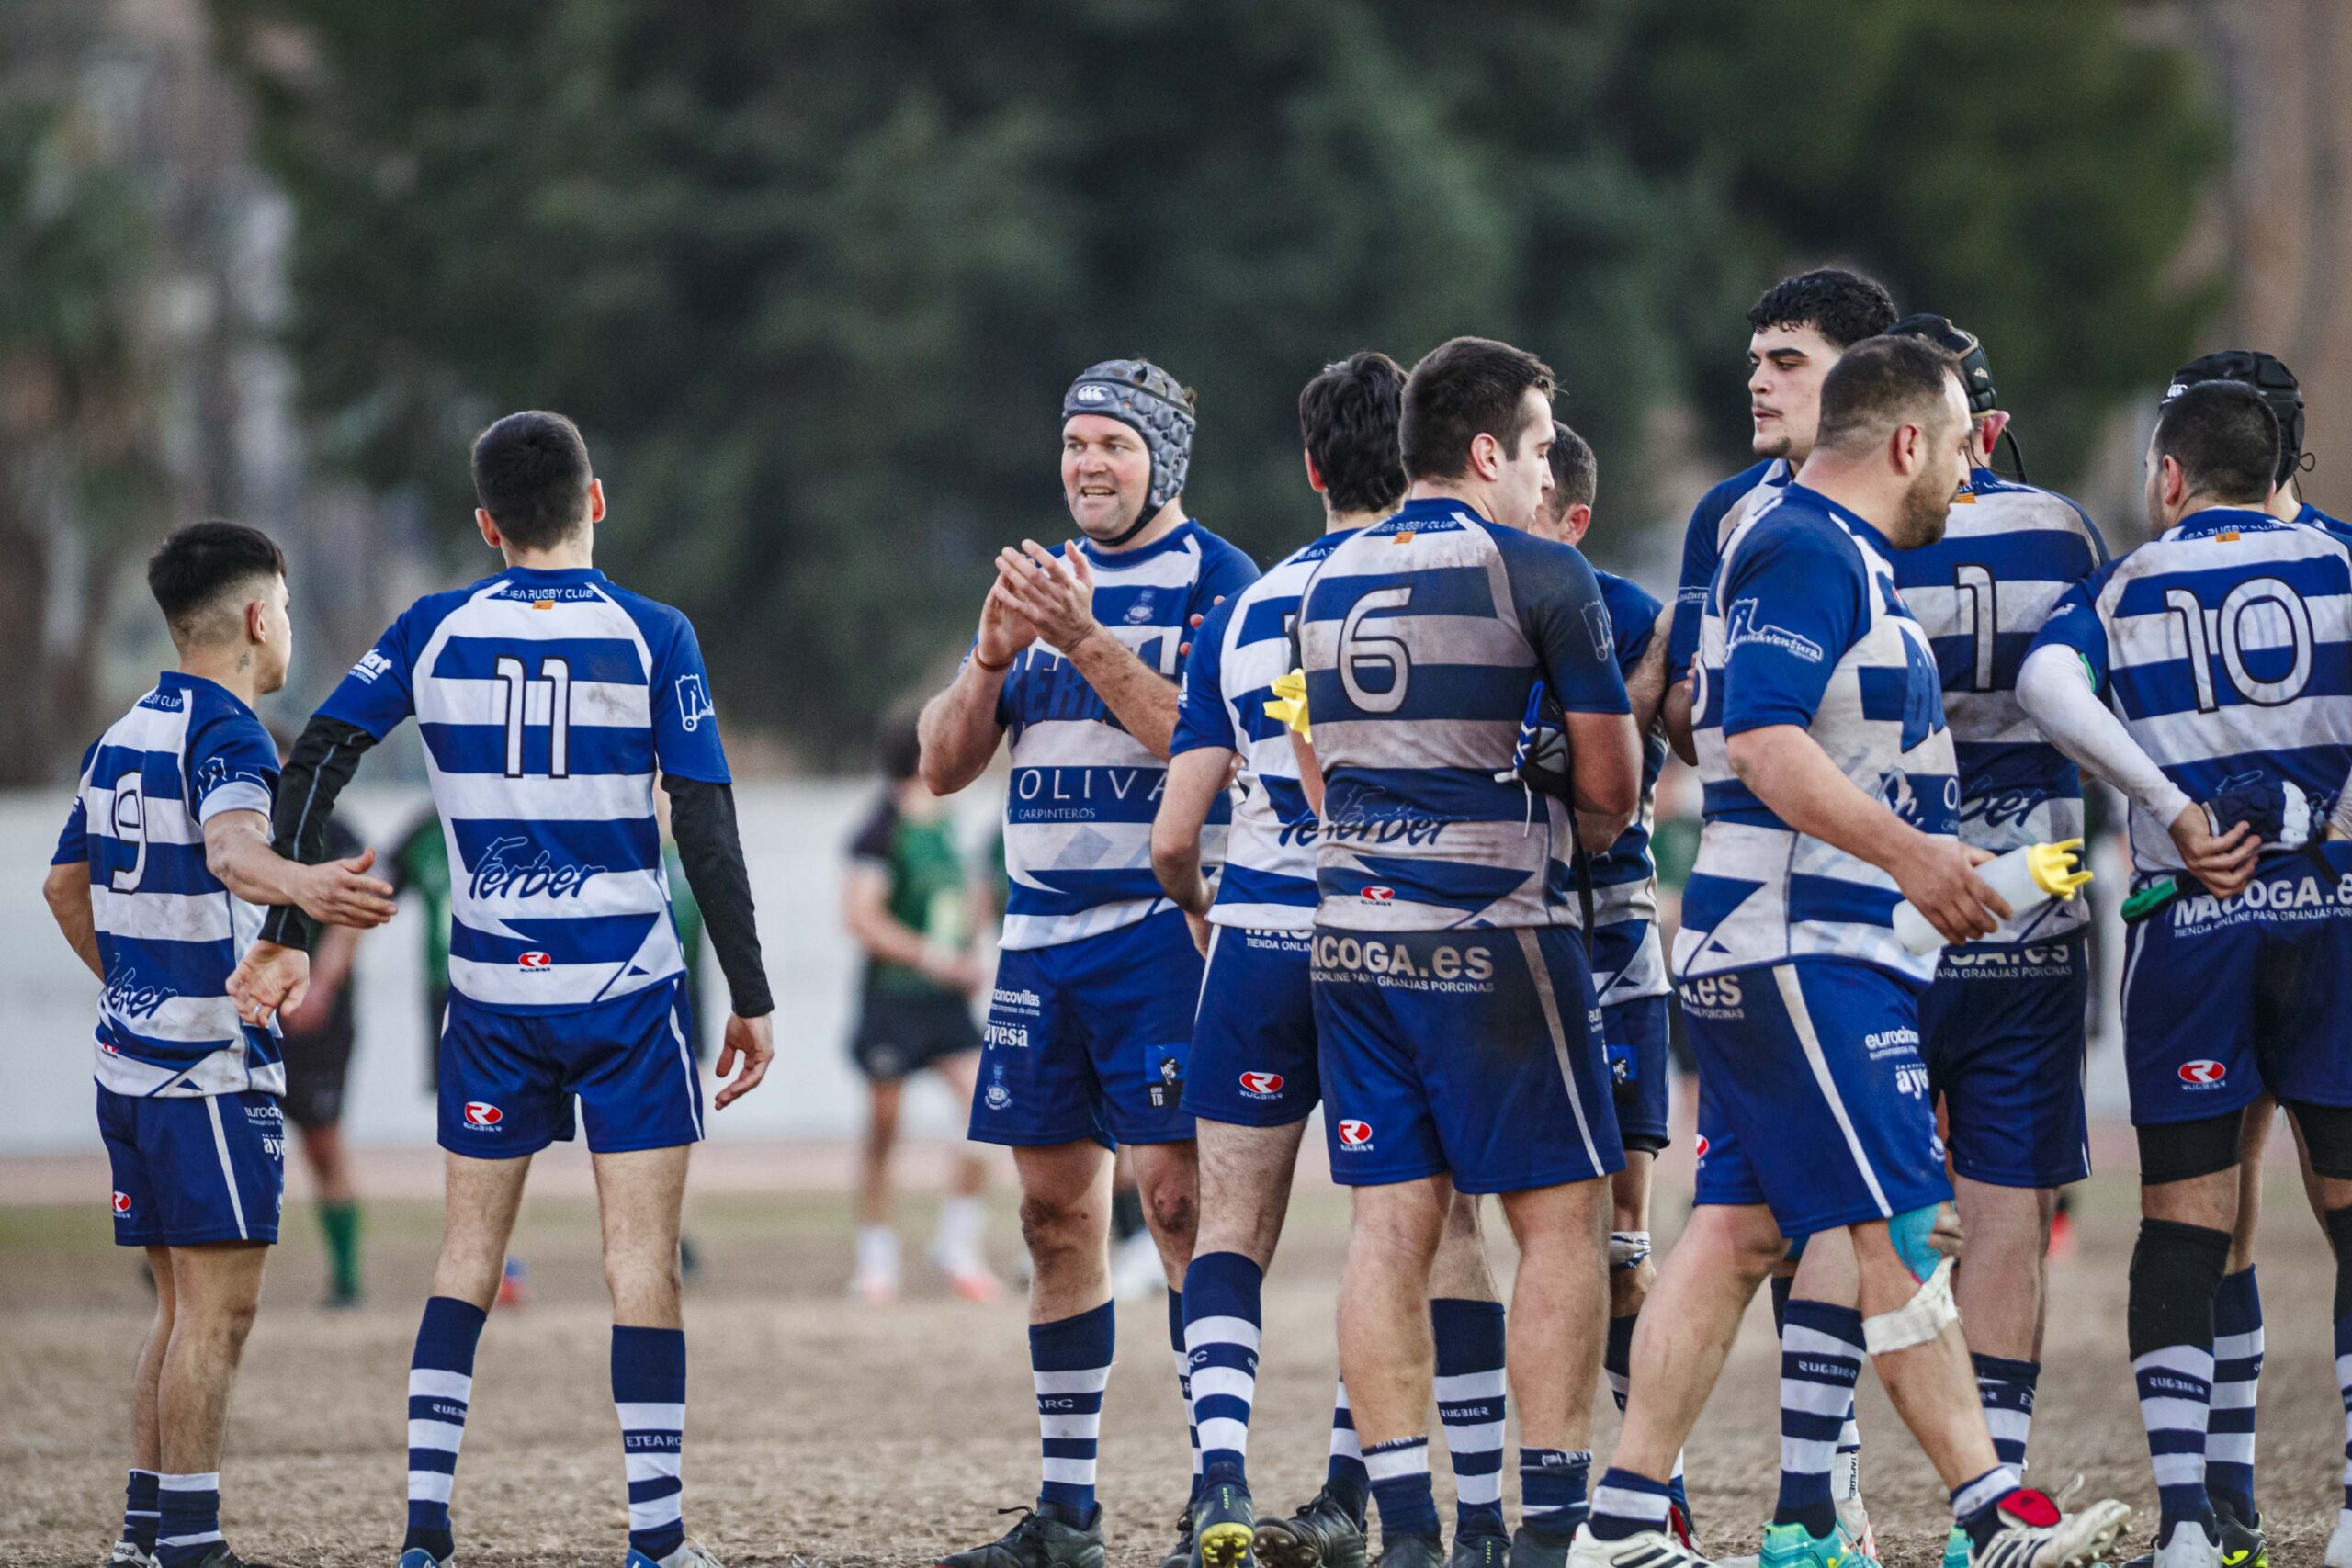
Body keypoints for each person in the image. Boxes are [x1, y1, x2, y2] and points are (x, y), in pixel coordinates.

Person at [1572, 336, 2130, 1568]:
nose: (1967, 479)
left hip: (1800, 944)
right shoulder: (1804, 545)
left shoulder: (1845, 556)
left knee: (1736, 1235)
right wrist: (1916, 859)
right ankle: (1992, 1513)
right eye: (1957, 452)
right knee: (1893, 1222)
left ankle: (1615, 1521)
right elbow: (1762, 743)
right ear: (1908, 443)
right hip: (1794, 948)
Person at [229, 411, 776, 1568]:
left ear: (486, 525)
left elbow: (316, 753)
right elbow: (711, 829)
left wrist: (290, 915)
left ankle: (426, 1530)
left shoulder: (433, 627)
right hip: (627, 992)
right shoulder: (654, 632)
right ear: (596, 501)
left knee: (464, 1261)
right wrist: (753, 992)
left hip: (490, 995)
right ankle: (658, 1541)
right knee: (640, 1265)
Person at [1152, 352, 1513, 1568]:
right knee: (1412, 1227)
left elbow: (1172, 830)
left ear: (1309, 467)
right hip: (1393, 942)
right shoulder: (1459, 587)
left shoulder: (1250, 608)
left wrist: (1202, 904)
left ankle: (1217, 1480)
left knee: (1229, 1229)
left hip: (1255, 938)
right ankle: (1375, 1493)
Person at [1293, 336, 1639, 1568]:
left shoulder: (1322, 581)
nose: (1546, 472)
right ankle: (1548, 1529)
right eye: (1540, 447)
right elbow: (1609, 790)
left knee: (1389, 1228)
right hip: (1495, 934)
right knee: (1563, 1218)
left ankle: (1406, 1530)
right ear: (1487, 451)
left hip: (1353, 937)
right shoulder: (1538, 569)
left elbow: (1314, 765)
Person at [918, 359, 1258, 1568]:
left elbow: (1201, 735)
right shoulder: (1033, 581)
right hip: (1039, 934)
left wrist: (1085, 637)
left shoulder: (1223, 579)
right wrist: (997, 655)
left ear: (1161, 457)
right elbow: (943, 764)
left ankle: (1220, 1484)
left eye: (1113, 443)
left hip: (1161, 929)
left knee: (1176, 1201)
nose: (1088, 466)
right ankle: (1068, 1510)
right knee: (1054, 1211)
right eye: (1074, 445)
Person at [2016, 379, 2352, 1568]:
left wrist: (2169, 803)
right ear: (2281, 469)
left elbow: (2046, 687)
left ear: (2170, 475)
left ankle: (2194, 1526)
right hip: (2334, 916)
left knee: (2185, 1223)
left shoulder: (2130, 580)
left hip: (2192, 927)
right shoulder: (2338, 558)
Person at [43, 521, 396, 1568]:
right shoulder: (233, 733)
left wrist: (136, 988)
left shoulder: (125, 732)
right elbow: (235, 849)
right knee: (220, 1317)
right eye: (284, 609)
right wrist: (305, 883)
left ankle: (143, 1540)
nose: (286, 629)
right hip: (206, 1074)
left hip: (133, 1068)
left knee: (177, 1311)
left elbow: (65, 886)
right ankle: (191, 1546)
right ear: (256, 617)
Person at [1658, 268, 1901, 1560]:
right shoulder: (1733, 516)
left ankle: (1813, 1490)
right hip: (1785, 908)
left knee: (1825, 1216)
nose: (1758, 378)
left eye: (1790, 360)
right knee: (1828, 1212)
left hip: (1917, 908)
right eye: (1756, 356)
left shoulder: (1917, 504)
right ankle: (1823, 1497)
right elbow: (1704, 718)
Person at [1881, 315, 2110, 1566]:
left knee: (1850, 1208)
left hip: (1879, 915)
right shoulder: (2063, 528)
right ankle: (2003, 1485)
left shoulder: (1825, 524)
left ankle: (1832, 1482)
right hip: (2035, 900)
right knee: (2010, 1197)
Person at [1526, 423, 1695, 1556]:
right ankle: (1546, 1485)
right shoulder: (1466, 597)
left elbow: (1672, 742)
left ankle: (1648, 1493)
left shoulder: (1629, 612)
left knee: (1623, 1232)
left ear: (1570, 520)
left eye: (1529, 500)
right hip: (1504, 932)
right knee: (1522, 1224)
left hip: (1617, 936)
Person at [842, 714, 1001, 1304]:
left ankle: (957, 1245)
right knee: (884, 1130)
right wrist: (933, 957)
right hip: (892, 1000)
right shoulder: (878, 831)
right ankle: (875, 1260)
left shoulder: (951, 824)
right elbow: (860, 918)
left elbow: (963, 901)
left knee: (988, 1109)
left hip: (944, 1004)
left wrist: (969, 953)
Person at [273, 769, 372, 1309]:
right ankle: (184, 1259)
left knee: (322, 1143)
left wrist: (322, 984)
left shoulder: (333, 831)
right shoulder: (233, 830)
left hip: (317, 1022)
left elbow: (356, 910)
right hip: (246, 1013)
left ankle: (346, 1278)